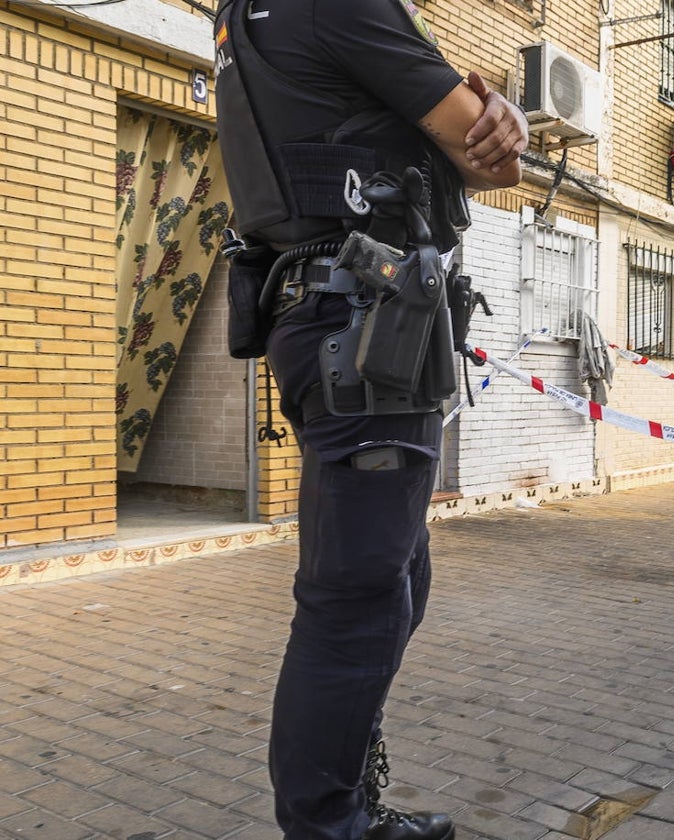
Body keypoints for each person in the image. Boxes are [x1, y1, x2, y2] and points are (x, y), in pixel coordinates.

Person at [213, 1, 528, 838]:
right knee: (355, 598)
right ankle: (332, 826)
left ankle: (349, 803)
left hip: (333, 320)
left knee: (391, 581)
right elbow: (490, 160)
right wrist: (504, 123)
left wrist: (498, 118)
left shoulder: (244, 14)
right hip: (367, 328)